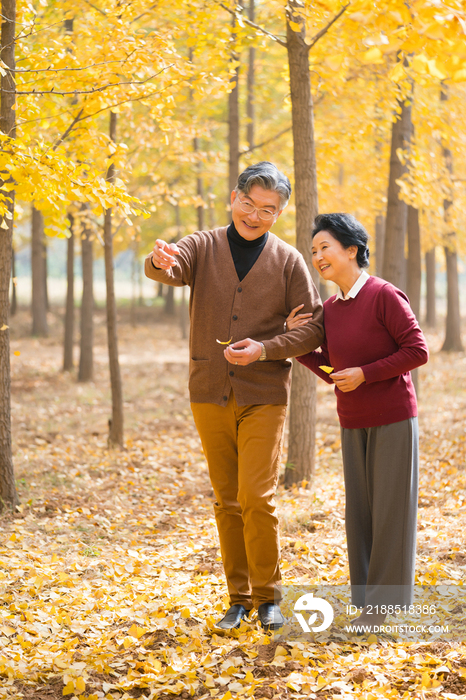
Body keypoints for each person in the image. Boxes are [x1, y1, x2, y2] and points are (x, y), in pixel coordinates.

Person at [144, 162, 324, 632]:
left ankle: (269, 598)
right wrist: (161, 260)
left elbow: (312, 328)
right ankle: (238, 598)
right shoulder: (203, 246)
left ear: (279, 213)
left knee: (256, 497)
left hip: (265, 393)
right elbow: (172, 264)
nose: (255, 214)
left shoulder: (289, 261)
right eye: (249, 203)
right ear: (233, 198)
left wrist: (266, 348)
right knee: (226, 499)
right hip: (209, 390)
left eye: (269, 209)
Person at [287, 212, 428, 631]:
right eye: (313, 251)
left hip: (393, 419)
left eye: (325, 247)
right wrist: (298, 345)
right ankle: (366, 603)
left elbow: (417, 350)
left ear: (352, 250)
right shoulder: (330, 309)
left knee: (390, 513)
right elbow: (332, 367)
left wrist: (367, 373)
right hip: (352, 421)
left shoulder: (384, 295)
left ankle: (386, 610)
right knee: (361, 514)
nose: (317, 257)